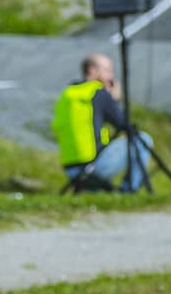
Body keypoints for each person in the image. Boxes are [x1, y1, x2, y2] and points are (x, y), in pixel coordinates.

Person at [51, 52, 153, 193]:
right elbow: (123, 124)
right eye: (107, 70)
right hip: (94, 168)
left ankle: (96, 188)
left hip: (71, 170)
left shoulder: (67, 94)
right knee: (143, 139)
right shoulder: (98, 93)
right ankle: (129, 190)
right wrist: (115, 99)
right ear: (93, 70)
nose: (111, 76)